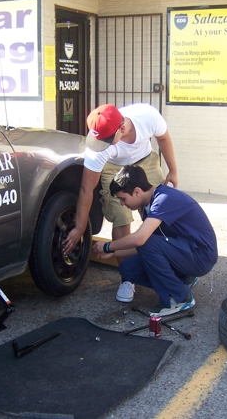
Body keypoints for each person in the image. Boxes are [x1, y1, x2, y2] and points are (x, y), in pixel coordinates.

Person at [63, 103, 178, 303]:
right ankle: (128, 277)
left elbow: (164, 138)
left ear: (122, 129)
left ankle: (171, 265)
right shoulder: (99, 150)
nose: (101, 144)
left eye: (107, 140)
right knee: (121, 214)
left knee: (159, 209)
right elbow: (86, 189)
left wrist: (173, 170)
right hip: (112, 167)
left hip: (145, 161)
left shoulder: (147, 116)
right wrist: (80, 228)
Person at [93, 165, 217, 316]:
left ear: (137, 191)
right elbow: (146, 245)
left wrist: (108, 247)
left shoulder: (164, 198)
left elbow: (140, 240)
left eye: (123, 198)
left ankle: (180, 298)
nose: (122, 204)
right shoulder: (149, 205)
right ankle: (182, 280)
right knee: (127, 268)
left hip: (201, 256)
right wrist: (114, 253)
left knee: (148, 242)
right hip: (184, 251)